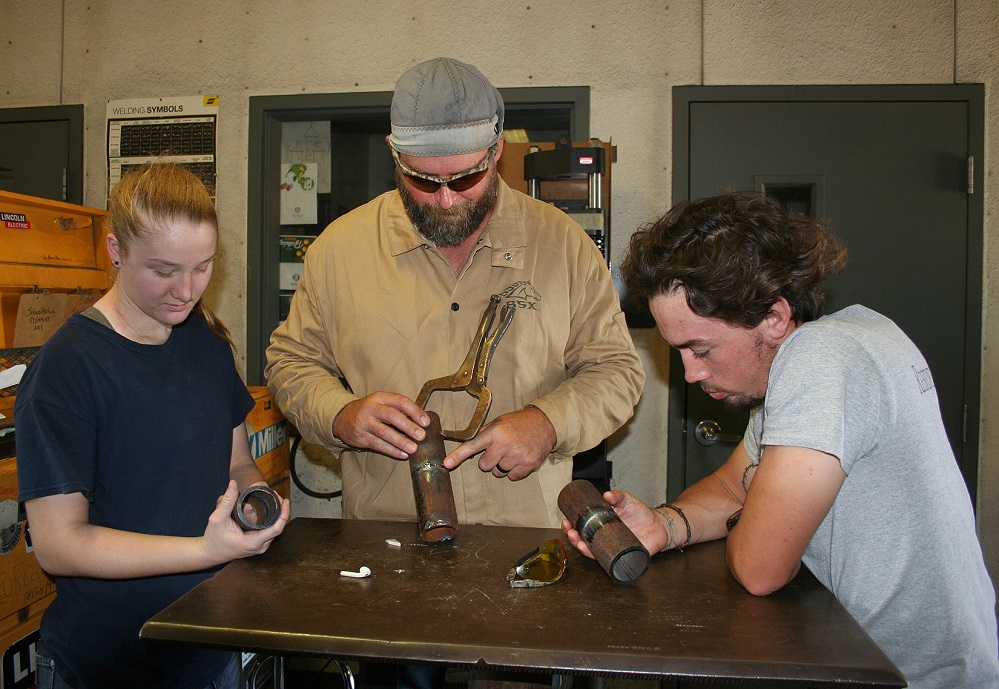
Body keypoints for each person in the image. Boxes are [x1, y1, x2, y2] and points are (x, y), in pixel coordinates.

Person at [265, 56, 644, 689]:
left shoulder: (564, 247)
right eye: (422, 180)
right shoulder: (340, 250)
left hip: (525, 556)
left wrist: (548, 423)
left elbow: (616, 372)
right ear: (394, 154)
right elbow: (291, 361)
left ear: (497, 150)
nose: (445, 199)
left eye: (466, 179)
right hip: (386, 557)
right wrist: (341, 414)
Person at [563, 191, 999, 689]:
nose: (689, 372)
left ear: (772, 316)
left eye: (700, 347)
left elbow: (759, 568)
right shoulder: (832, 347)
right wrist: (665, 524)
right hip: (863, 654)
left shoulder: (822, 359)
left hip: (918, 677)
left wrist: (758, 517)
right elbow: (732, 488)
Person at [15, 162, 291, 689]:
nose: (185, 291)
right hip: (109, 665)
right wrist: (204, 551)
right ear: (115, 249)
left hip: (210, 651)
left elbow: (236, 462)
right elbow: (58, 543)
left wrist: (258, 505)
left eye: (202, 267)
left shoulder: (207, 345)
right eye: (163, 270)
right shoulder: (69, 369)